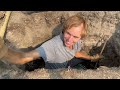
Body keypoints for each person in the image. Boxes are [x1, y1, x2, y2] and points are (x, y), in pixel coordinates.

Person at [0, 14, 101, 69]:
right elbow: (23, 58)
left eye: (75, 36)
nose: (70, 40)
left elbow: (76, 53)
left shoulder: (78, 42)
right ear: (64, 30)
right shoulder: (51, 46)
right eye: (68, 33)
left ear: (81, 37)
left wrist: (91, 58)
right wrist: (3, 52)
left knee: (90, 64)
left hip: (68, 62)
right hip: (57, 70)